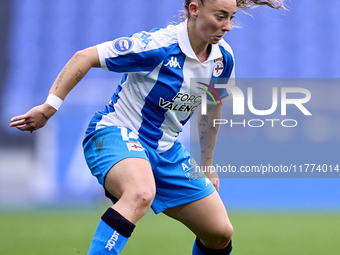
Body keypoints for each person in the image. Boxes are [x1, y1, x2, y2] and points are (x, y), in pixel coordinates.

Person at [10, 0, 284, 254]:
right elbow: (84, 56)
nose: (227, 26)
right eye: (220, 16)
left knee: (220, 232)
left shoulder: (223, 58)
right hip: (116, 133)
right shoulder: (157, 45)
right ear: (194, 9)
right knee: (140, 193)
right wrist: (49, 107)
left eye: (231, 17)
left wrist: (207, 162)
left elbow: (212, 105)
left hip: (166, 150)